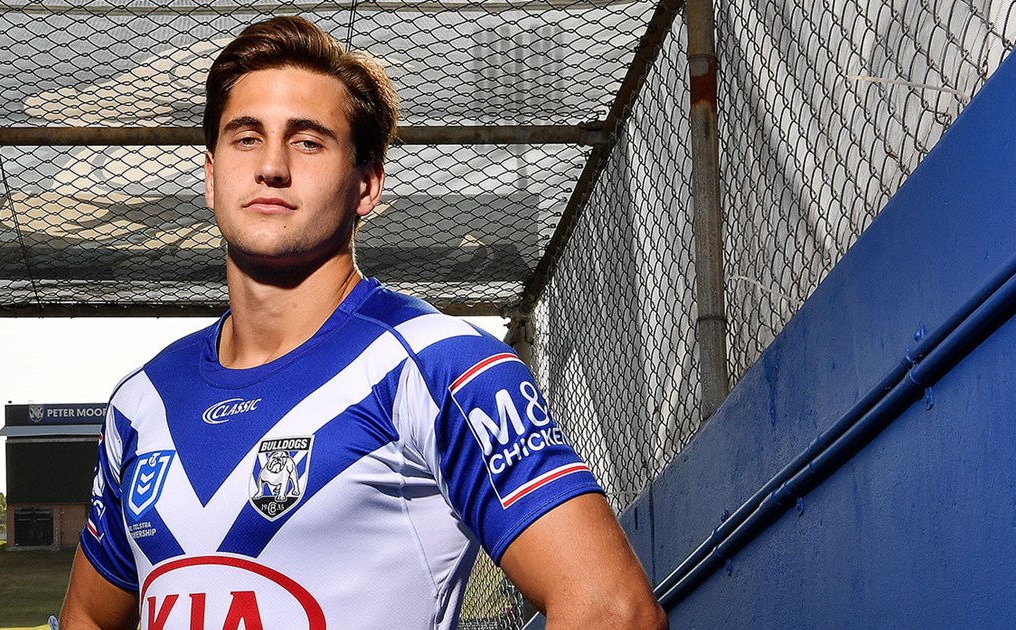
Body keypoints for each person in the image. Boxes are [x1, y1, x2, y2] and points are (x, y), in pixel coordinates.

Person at [59, 16, 666, 630]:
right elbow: (88, 615)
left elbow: (612, 610)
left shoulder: (438, 363)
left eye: (308, 142)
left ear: (367, 184)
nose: (271, 166)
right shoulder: (143, 401)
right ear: (212, 177)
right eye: (246, 138)